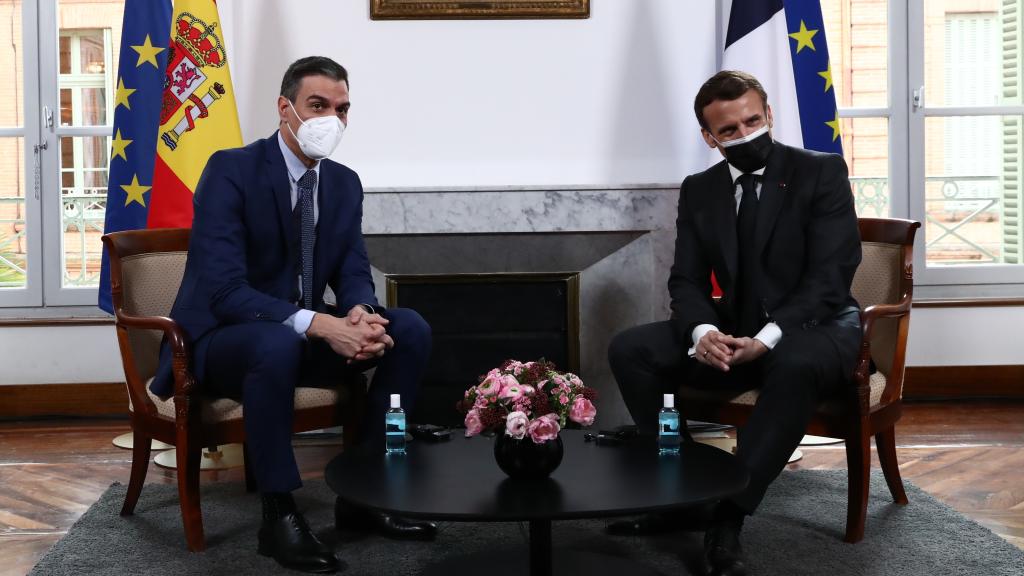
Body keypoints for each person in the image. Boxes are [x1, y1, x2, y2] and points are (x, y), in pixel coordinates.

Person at [152, 56, 435, 573]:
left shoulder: (344, 183)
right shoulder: (231, 170)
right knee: (278, 341)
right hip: (220, 341)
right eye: (318, 105)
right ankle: (278, 514)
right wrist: (323, 325)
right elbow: (223, 290)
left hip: (294, 339)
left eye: (343, 109)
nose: (333, 118)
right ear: (286, 108)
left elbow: (352, 270)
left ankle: (367, 493)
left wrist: (360, 316)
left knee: (409, 328)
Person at [605, 70, 862, 576]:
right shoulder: (700, 189)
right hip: (736, 329)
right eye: (729, 131)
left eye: (752, 121)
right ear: (709, 137)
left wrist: (765, 339)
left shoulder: (821, 171)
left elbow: (830, 279)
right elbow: (686, 280)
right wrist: (704, 333)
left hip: (818, 330)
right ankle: (679, 497)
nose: (745, 135)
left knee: (793, 361)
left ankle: (727, 517)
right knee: (630, 349)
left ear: (769, 114)